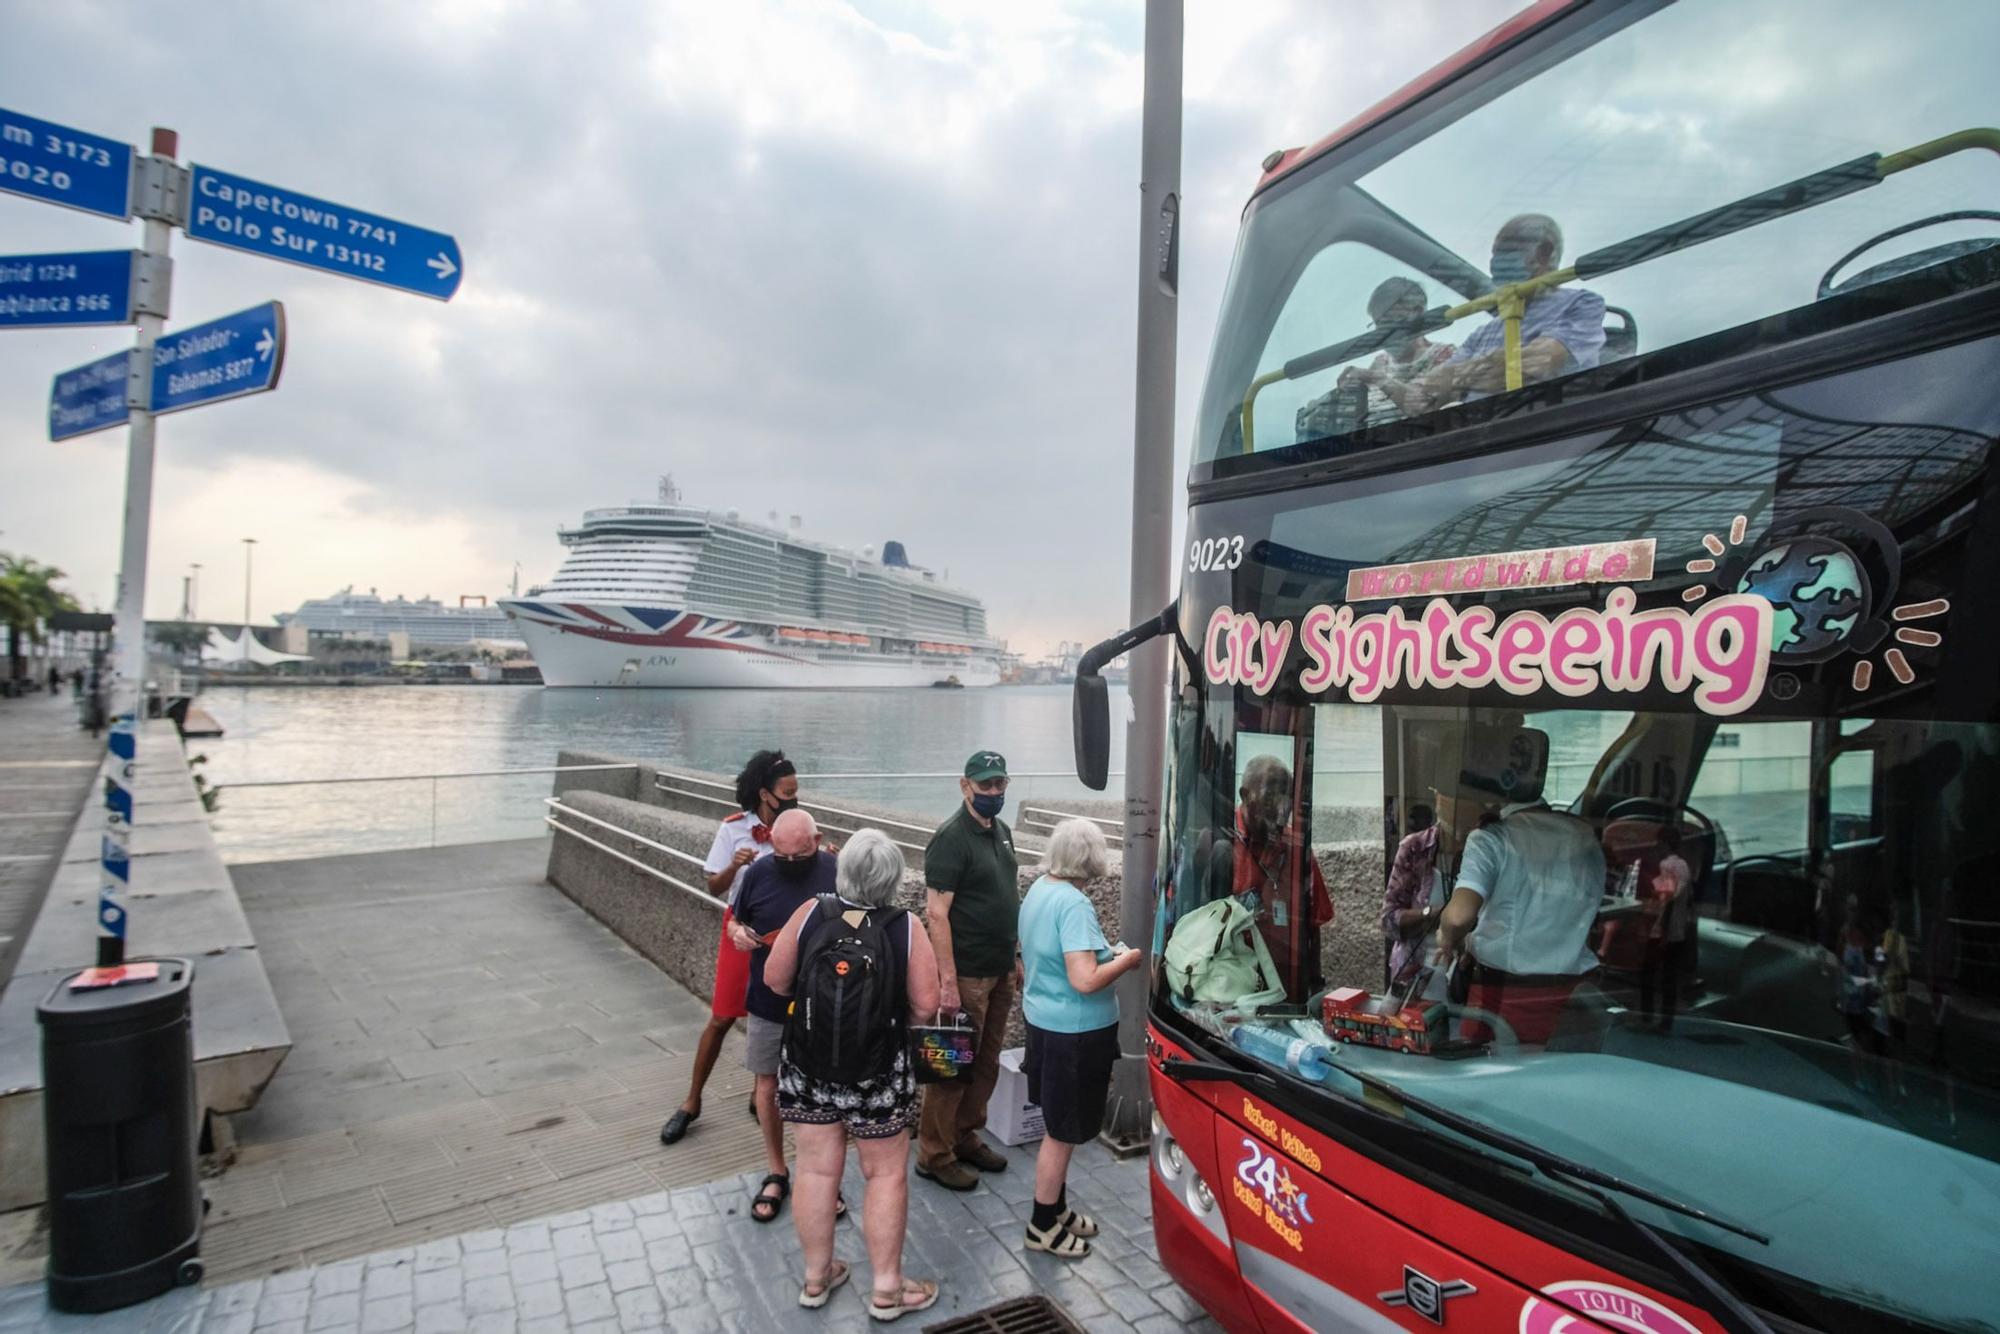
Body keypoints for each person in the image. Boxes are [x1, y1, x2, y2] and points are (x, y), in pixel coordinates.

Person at [765, 830, 942, 1320]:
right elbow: (926, 1006)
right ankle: (887, 1289)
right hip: (880, 1073)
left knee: (818, 1170)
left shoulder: (809, 913)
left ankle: (817, 1277)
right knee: (884, 1174)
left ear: (842, 872)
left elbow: (775, 981)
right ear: (893, 878)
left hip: (808, 1068)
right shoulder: (905, 926)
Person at [1016, 819, 1143, 1259]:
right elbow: (1086, 979)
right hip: (1074, 1034)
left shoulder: (1039, 890)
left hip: (1044, 1024)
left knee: (1059, 1126)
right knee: (1062, 1132)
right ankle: (1043, 1224)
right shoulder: (1073, 904)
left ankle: (1059, 1207)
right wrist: (1128, 961)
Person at [661, 749, 798, 1146]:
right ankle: (691, 1102)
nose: (793, 797)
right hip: (739, 929)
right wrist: (735, 865)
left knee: (776, 1017)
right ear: (764, 794)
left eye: (796, 790)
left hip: (784, 935)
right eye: (787, 791)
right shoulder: (734, 829)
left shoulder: (796, 826)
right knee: (722, 1017)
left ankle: (763, 1094)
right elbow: (714, 887)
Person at [1432, 733, 1605, 1044]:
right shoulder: (1583, 835)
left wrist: (1447, 937)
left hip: (1508, 997)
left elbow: (1458, 916)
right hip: (1576, 996)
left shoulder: (1491, 840)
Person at [915, 750, 1021, 1192]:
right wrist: (947, 982)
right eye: (985, 785)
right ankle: (933, 1154)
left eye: (1000, 785)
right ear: (965, 786)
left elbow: (1006, 895)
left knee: (986, 1063)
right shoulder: (950, 839)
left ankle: (964, 1135)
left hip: (998, 969)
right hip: (967, 974)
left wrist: (1015, 957)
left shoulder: (1002, 832)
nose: (993, 792)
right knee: (949, 1068)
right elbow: (936, 914)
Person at [1376, 215, 1606, 416]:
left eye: (1506, 251)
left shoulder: (1581, 304)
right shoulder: (1485, 332)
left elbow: (1534, 365)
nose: (1495, 263)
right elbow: (1422, 397)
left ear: (1544, 253)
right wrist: (1376, 379)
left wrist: (1458, 376)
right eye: (1494, 254)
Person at [729, 808, 838, 1223]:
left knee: (823, 1087)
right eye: (782, 856)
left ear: (817, 839)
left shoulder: (836, 868)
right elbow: (736, 922)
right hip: (768, 999)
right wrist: (739, 934)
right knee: (766, 1084)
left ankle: (823, 1176)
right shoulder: (757, 873)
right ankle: (777, 1168)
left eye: (800, 856)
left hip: (825, 1000)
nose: (790, 865)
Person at [1227, 754, 1334, 998]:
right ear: (1245, 795)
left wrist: (1315, 984)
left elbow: (1312, 926)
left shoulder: (1297, 849)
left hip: (1288, 987)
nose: (1279, 808)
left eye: (1286, 798)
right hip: (1236, 989)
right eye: (1269, 797)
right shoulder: (1222, 844)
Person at [1297, 276, 1457, 437]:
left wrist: (1377, 378)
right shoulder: (1380, 362)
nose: (1383, 333)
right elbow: (1362, 423)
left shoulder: (1447, 356)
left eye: (1389, 322)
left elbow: (1427, 409)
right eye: (1378, 325)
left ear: (1417, 313)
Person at [1381, 801, 1444, 988]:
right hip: (1415, 973)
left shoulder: (1486, 849)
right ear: (1438, 800)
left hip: (1463, 978)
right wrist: (1431, 914)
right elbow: (1388, 920)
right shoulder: (1415, 847)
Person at [1637, 825, 1693, 1030]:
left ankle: (1646, 1016)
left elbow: (1666, 900)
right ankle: (1666, 1020)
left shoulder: (1666, 866)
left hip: (1662, 930)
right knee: (1669, 977)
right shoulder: (1684, 865)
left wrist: (1660, 930)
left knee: (1648, 974)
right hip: (1677, 930)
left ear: (1664, 843)